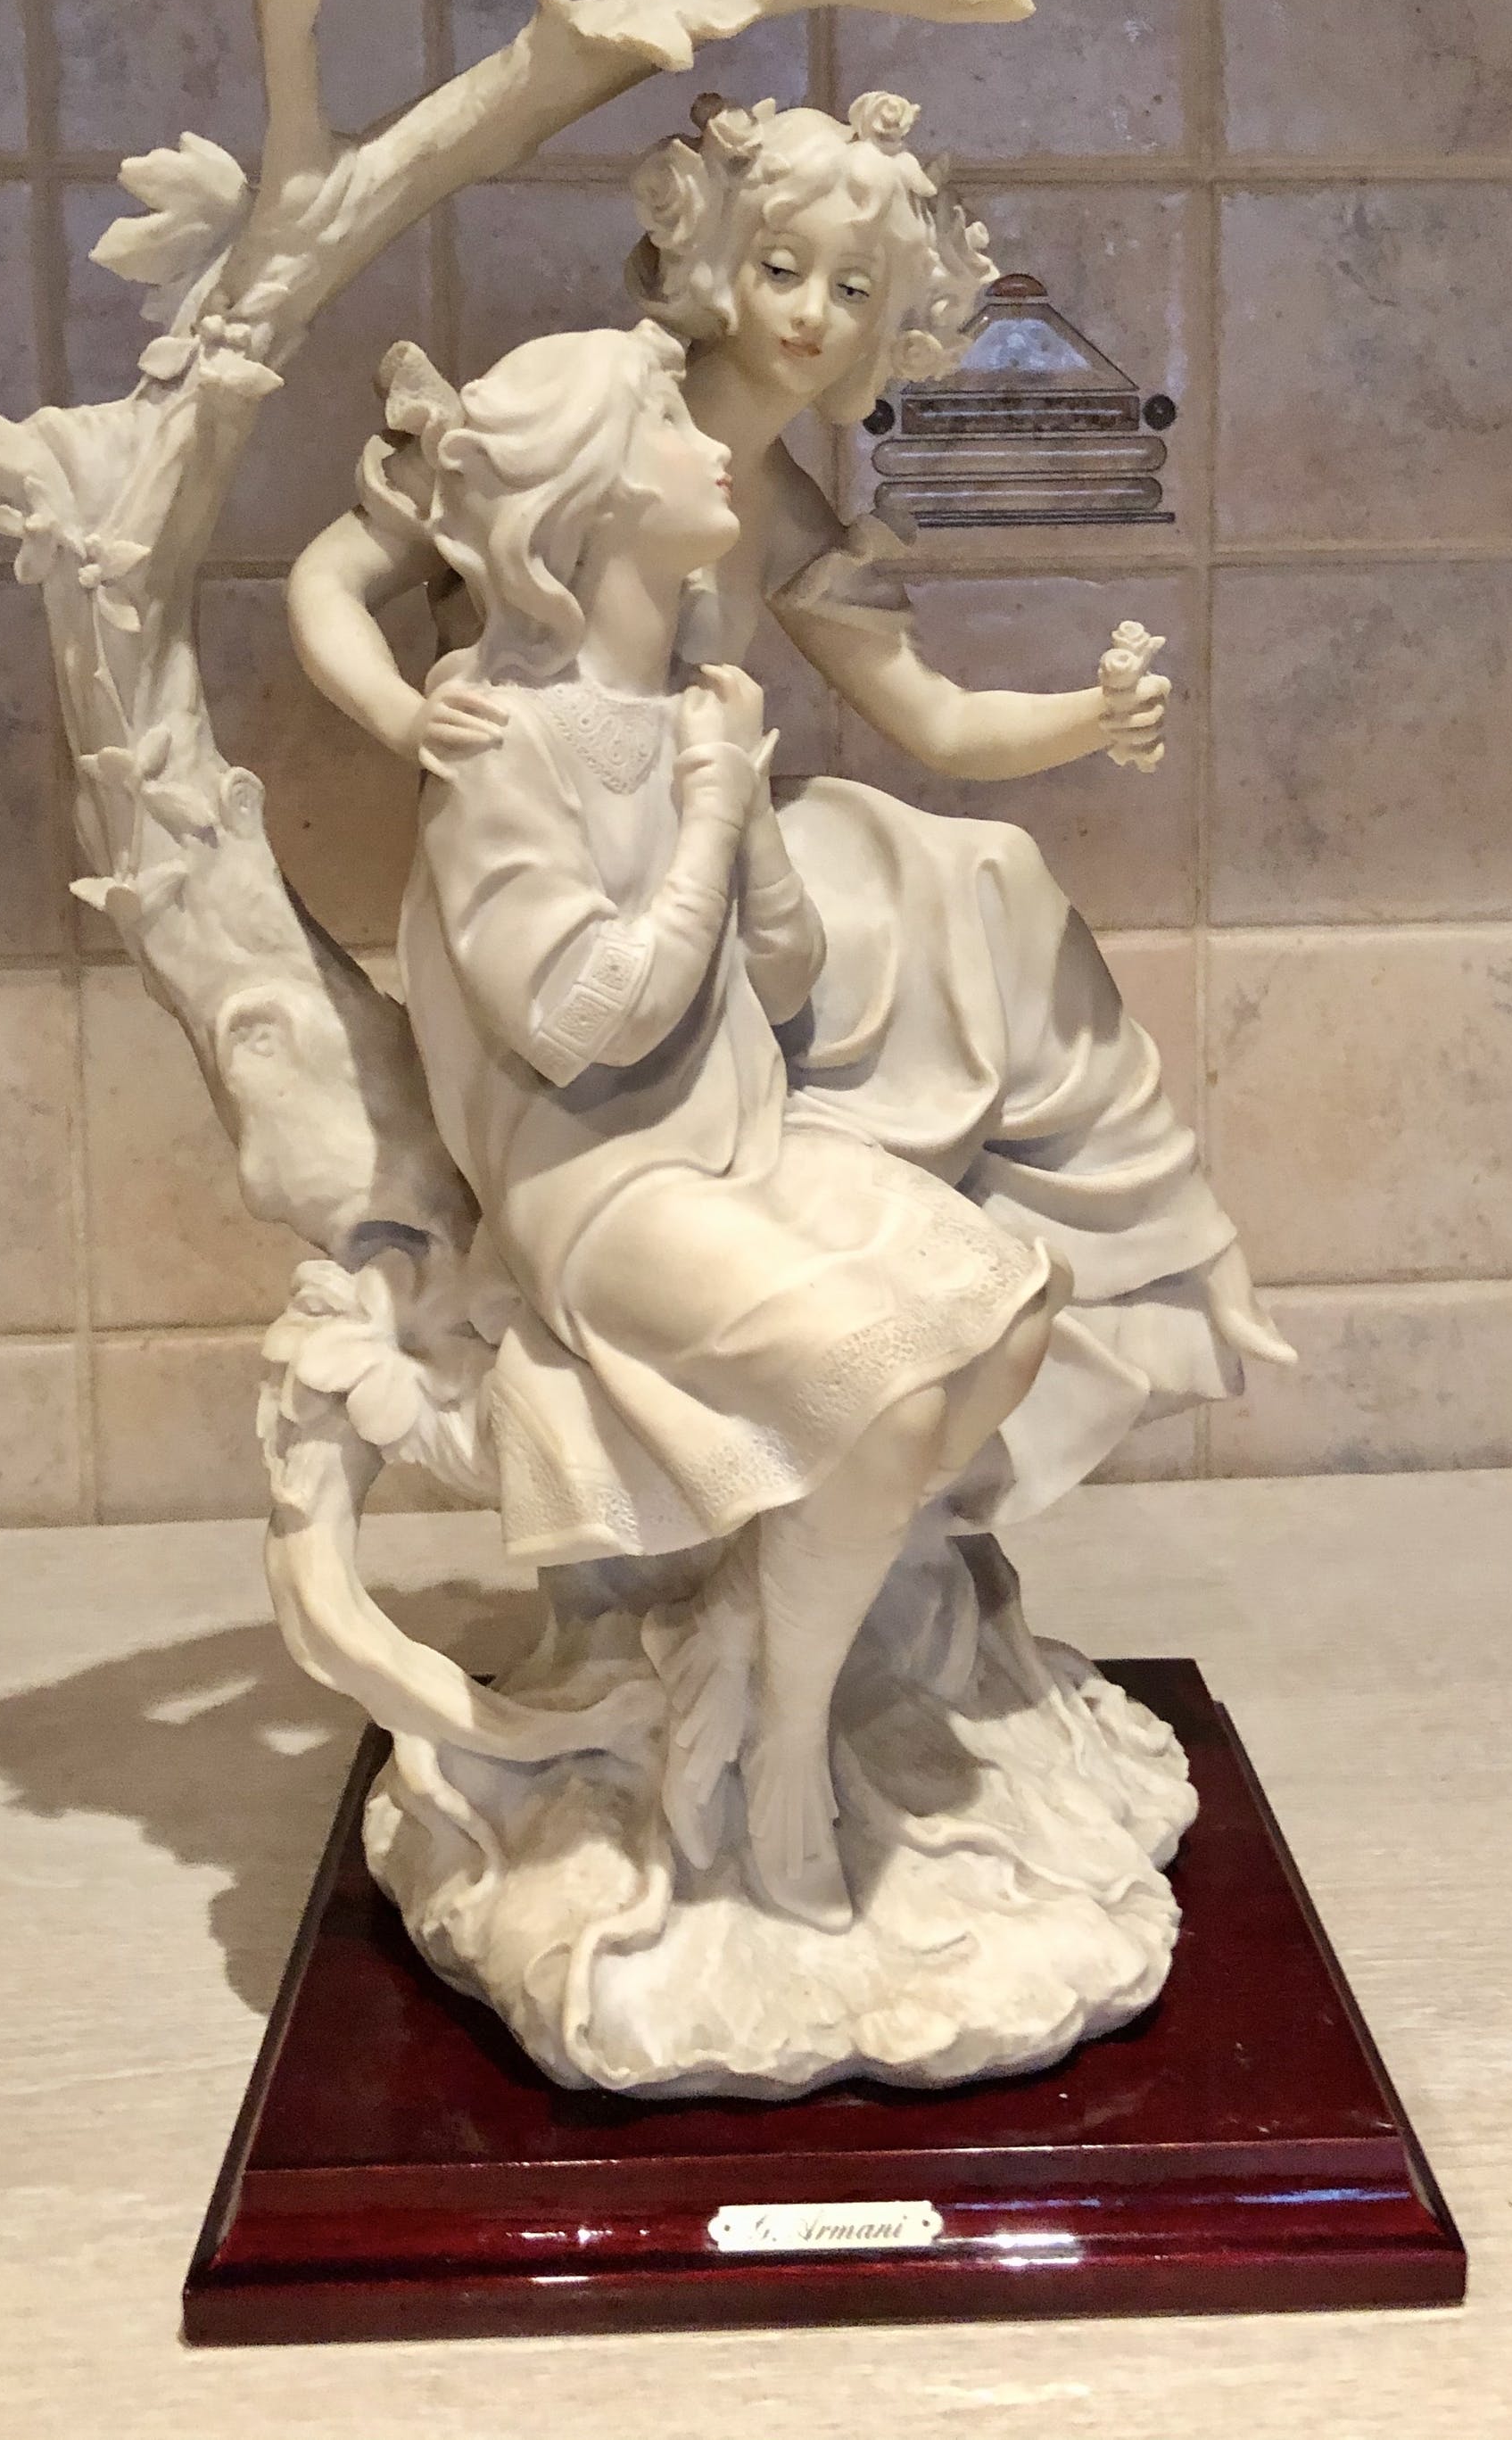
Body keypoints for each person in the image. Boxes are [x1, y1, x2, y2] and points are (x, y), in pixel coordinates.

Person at [289, 94, 1289, 1526]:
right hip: (548, 893)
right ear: (717, 260)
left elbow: (933, 719)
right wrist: (405, 718)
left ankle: (1143, 1236)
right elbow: (329, 581)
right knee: (915, 901)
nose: (815, 313)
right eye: (783, 269)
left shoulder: (773, 505)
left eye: (857, 289)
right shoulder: (590, 408)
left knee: (989, 873)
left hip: (704, 844)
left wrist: (1091, 716)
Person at [392, 320, 1061, 1928]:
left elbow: (780, 975)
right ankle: (784, 1747)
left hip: (740, 1143)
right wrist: (705, 813)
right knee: (879, 1400)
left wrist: (740, 802)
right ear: (593, 493)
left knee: (1017, 1310)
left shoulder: (702, 700)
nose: (717, 448)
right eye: (670, 428)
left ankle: (752, 1628)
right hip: (601, 1192)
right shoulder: (499, 742)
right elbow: (583, 1018)